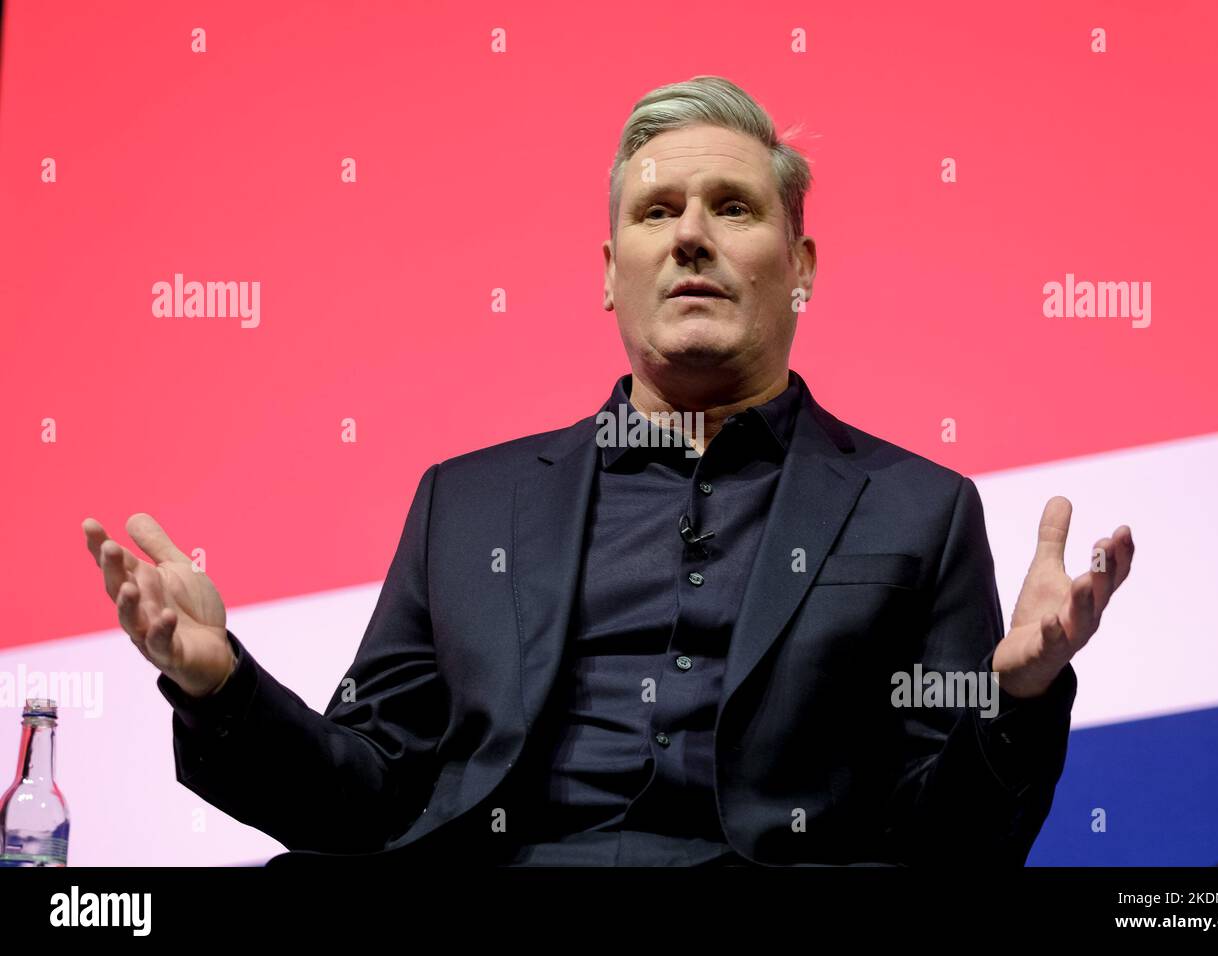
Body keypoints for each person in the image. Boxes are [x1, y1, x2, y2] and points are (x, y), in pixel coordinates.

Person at [82, 76, 1134, 867]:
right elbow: (363, 796)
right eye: (655, 211)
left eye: (731, 207)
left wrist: (1018, 699)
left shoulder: (918, 509)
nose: (689, 237)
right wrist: (218, 686)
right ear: (608, 274)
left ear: (800, 267)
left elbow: (947, 846)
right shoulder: (468, 500)